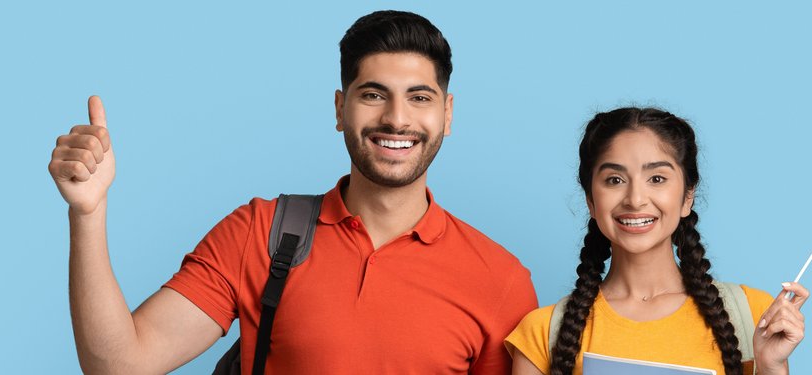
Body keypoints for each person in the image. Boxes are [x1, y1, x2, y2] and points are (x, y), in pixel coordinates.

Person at [47, 10, 537, 374]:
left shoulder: (500, 281)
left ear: (446, 115)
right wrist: (88, 213)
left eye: (419, 97)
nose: (396, 118)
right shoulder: (258, 232)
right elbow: (120, 365)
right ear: (341, 109)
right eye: (373, 94)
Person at [504, 108, 810, 375]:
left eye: (657, 179)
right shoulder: (542, 333)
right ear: (590, 200)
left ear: (687, 196)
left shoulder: (754, 314)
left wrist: (771, 368)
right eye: (614, 180)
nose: (635, 199)